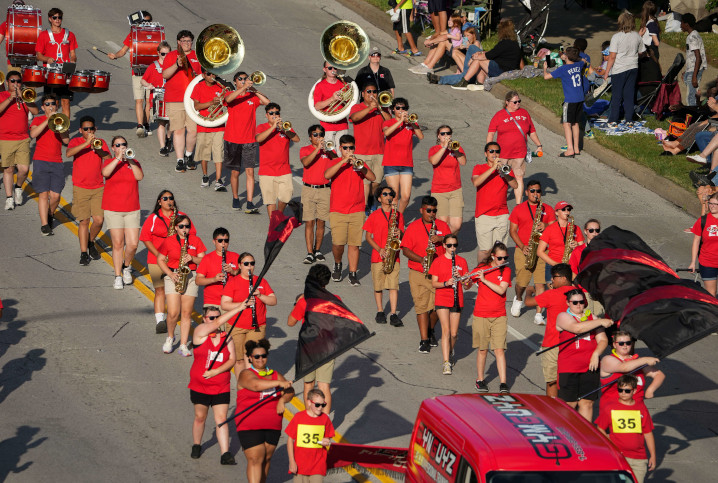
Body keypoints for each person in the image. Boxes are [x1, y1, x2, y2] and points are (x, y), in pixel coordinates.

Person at [235, 339, 294, 483]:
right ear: (250, 358)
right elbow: (255, 385)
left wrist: (282, 399)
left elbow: (290, 391)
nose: (260, 359)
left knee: (266, 459)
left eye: (263, 355)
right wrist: (279, 383)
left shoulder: (275, 374)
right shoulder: (245, 374)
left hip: (272, 424)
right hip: (249, 423)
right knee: (256, 459)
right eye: (256, 356)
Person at [188, 306, 239, 465]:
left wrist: (216, 371)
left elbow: (232, 360)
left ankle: (225, 453)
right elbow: (215, 324)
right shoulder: (200, 333)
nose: (215, 321)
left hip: (220, 385)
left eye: (217, 317)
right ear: (204, 319)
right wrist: (239, 307)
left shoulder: (227, 338)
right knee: (200, 417)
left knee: (221, 419)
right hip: (200, 386)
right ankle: (197, 444)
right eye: (211, 318)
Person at [324, 134, 376, 285]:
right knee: (338, 243)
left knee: (354, 244)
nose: (348, 150)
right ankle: (338, 263)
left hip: (357, 210)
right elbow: (327, 175)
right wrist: (343, 161)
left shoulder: (359, 164)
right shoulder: (334, 162)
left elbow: (372, 178)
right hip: (338, 210)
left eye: (351, 148)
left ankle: (353, 273)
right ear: (340, 148)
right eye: (345, 148)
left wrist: (360, 167)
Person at [140, 190, 195, 333]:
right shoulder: (153, 218)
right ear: (159, 202)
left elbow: (192, 234)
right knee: (160, 290)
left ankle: (174, 315)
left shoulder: (181, 217)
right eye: (165, 198)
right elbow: (145, 238)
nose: (169, 201)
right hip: (156, 259)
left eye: (171, 198)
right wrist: (159, 254)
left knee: (177, 291)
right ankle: (160, 321)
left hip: (177, 260)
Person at [401, 196, 450, 353]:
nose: (432, 214)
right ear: (422, 210)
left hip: (439, 274)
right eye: (429, 210)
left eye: (434, 211)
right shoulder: (413, 227)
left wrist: (442, 239)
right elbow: (406, 250)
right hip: (419, 272)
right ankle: (424, 340)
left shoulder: (442, 226)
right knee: (422, 307)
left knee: (439, 306)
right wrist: (421, 259)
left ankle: (430, 329)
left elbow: (453, 244)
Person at [555, 288, 613, 421]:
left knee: (587, 403)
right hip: (569, 367)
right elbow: (577, 328)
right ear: (568, 303)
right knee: (569, 404)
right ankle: (566, 433)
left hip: (590, 366)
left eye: (581, 302)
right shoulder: (563, 316)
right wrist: (600, 322)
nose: (579, 305)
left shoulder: (592, 317)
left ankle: (584, 435)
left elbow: (603, 340)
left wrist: (596, 354)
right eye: (574, 302)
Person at [287, 264, 337, 414]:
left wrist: (298, 304)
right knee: (324, 386)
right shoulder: (335, 300)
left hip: (308, 348)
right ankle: (325, 421)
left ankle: (309, 416)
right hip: (328, 347)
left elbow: (290, 322)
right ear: (326, 282)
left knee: (308, 384)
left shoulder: (305, 301)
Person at [157, 214, 206, 356]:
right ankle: (170, 337)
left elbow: (203, 260)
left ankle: (183, 345)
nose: (185, 229)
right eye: (182, 226)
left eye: (187, 226)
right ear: (176, 228)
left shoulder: (195, 240)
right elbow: (160, 260)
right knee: (173, 313)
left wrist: (192, 258)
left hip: (190, 277)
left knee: (186, 313)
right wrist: (170, 274)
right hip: (173, 276)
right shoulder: (169, 241)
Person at [221, 252, 277, 376]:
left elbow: (273, 300)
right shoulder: (233, 282)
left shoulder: (260, 281)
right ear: (240, 266)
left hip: (257, 326)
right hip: (236, 326)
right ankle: (242, 387)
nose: (249, 266)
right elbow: (224, 304)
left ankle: (252, 386)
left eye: (252, 263)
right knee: (239, 360)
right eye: (246, 264)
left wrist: (260, 295)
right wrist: (242, 304)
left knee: (253, 359)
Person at [525, 263, 575, 398]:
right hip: (572, 344)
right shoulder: (578, 294)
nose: (552, 280)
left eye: (554, 277)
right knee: (569, 380)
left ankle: (553, 409)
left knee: (552, 381)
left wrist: (530, 290)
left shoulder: (552, 295)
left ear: (564, 278)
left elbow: (528, 302)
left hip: (552, 343)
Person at [594, 374, 657, 483]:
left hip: (639, 458)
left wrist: (653, 455)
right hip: (618, 457)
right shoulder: (610, 408)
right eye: (620, 390)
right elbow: (600, 428)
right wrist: (610, 443)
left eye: (627, 391)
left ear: (635, 390)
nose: (623, 393)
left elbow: (648, 433)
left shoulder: (641, 409)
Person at [509, 180, 556, 324]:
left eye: (538, 191)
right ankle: (518, 298)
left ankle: (538, 314)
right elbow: (512, 231)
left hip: (542, 250)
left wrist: (546, 224)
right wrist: (522, 246)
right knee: (522, 283)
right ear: (527, 192)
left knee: (540, 283)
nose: (536, 194)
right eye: (532, 191)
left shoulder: (547, 209)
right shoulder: (518, 209)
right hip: (524, 249)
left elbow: (555, 228)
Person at [224, 71, 270, 213]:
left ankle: (249, 202)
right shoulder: (231, 94)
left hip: (249, 140)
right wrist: (243, 88)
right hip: (232, 139)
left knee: (250, 172)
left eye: (245, 79)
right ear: (235, 81)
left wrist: (254, 90)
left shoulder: (252, 96)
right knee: (235, 173)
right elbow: (229, 100)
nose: (243, 81)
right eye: (241, 79)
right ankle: (236, 198)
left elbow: (267, 103)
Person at [66, 115, 110, 265]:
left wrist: (97, 149)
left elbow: (109, 157)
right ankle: (84, 252)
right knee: (84, 221)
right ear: (80, 130)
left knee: (99, 220)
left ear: (95, 129)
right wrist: (86, 143)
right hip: (81, 187)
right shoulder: (76, 141)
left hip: (98, 187)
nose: (89, 131)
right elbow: (69, 153)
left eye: (91, 128)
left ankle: (90, 241)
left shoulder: (100, 142)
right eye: (86, 129)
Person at [101, 136, 143, 290]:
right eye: (118, 145)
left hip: (132, 209)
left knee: (132, 244)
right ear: (113, 148)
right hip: (113, 209)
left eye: (124, 145)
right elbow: (105, 173)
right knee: (118, 243)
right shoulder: (109, 162)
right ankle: (118, 276)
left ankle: (126, 266)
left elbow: (139, 176)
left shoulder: (134, 162)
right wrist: (118, 159)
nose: (122, 147)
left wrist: (130, 160)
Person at [470, 242, 512, 393]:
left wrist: (484, 279)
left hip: (499, 315)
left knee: (499, 349)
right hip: (481, 314)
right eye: (500, 258)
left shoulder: (506, 270)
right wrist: (466, 279)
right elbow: (467, 285)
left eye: (505, 258)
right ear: (493, 256)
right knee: (483, 349)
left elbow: (501, 290)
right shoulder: (482, 269)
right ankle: (480, 379)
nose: (503, 261)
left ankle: (503, 383)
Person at [487, 91, 542, 202]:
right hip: (503, 154)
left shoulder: (524, 113)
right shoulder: (499, 115)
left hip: (519, 153)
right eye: (515, 102)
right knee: (501, 177)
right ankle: (498, 200)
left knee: (519, 177)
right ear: (507, 102)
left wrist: (539, 145)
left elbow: (531, 131)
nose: (518, 104)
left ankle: (518, 203)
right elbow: (491, 133)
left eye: (519, 101)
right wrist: (489, 150)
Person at [363, 185, 405, 326]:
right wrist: (379, 249)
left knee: (393, 286)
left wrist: (400, 233)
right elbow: (368, 237)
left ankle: (393, 313)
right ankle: (380, 311)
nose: (389, 197)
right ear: (380, 199)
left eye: (391, 194)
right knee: (378, 285)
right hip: (378, 255)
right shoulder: (374, 215)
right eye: (385, 194)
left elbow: (403, 233)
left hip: (394, 255)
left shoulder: (398, 215)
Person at [107, 11, 153, 137]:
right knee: (139, 100)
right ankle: (139, 125)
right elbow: (123, 50)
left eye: (149, 22)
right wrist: (115, 56)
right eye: (144, 22)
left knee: (149, 101)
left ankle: (146, 123)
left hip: (151, 72)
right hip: (137, 71)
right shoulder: (133, 35)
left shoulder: (155, 35)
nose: (146, 24)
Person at [29, 94, 69, 236]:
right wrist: (47, 120)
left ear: (56, 106)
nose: (50, 106)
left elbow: (66, 141)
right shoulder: (38, 119)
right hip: (40, 160)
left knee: (56, 196)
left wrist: (60, 126)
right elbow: (33, 134)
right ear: (42, 107)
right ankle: (45, 224)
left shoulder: (61, 121)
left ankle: (50, 213)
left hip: (56, 161)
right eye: (47, 104)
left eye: (53, 103)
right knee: (44, 194)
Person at [430, 235, 470, 375]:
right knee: (446, 331)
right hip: (442, 299)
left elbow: (467, 286)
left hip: (456, 299)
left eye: (455, 245)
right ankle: (446, 362)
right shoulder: (438, 261)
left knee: (454, 334)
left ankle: (450, 351)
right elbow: (434, 283)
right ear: (444, 246)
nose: (452, 248)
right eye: (449, 245)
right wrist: (446, 283)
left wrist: (461, 278)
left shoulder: (462, 261)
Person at [472, 142, 518, 263]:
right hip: (484, 215)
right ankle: (479, 274)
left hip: (502, 214)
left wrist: (505, 174)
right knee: (485, 250)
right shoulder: (479, 168)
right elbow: (476, 182)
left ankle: (496, 276)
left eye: (497, 151)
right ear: (486, 153)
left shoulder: (505, 169)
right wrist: (492, 168)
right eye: (491, 151)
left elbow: (515, 185)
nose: (494, 154)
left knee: (499, 251)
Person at [162, 30, 200, 172]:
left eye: (189, 41)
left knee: (193, 131)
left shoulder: (198, 56)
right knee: (178, 130)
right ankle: (179, 160)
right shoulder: (171, 56)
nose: (186, 44)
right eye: (183, 41)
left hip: (192, 99)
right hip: (175, 98)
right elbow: (165, 74)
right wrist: (176, 65)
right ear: (178, 42)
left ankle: (188, 154)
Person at [349, 82, 391, 211]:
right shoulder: (357, 107)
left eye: (374, 92)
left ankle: (371, 198)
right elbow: (354, 118)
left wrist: (379, 108)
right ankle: (364, 207)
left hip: (379, 152)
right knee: (364, 183)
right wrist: (369, 108)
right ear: (363, 94)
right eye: (369, 92)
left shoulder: (382, 108)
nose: (372, 94)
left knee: (376, 182)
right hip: (361, 152)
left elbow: (389, 121)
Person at [1, 70, 38, 211]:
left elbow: (35, 112)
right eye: (13, 81)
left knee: (24, 169)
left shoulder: (25, 96)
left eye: (18, 81)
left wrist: (26, 100)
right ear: (7, 83)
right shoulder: (2, 95)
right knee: (9, 169)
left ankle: (18, 187)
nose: (16, 84)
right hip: (5, 138)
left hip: (23, 138)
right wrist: (10, 98)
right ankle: (9, 198)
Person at [599, 331, 664, 411]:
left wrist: (650, 390)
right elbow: (624, 367)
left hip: (636, 409)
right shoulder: (607, 359)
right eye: (621, 343)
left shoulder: (637, 361)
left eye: (628, 343)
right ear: (614, 345)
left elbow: (659, 374)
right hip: (613, 408)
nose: (625, 346)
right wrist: (644, 359)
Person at [450, 19, 523, 90]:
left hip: (502, 70)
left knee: (478, 60)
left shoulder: (504, 43)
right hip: (507, 68)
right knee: (479, 59)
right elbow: (494, 52)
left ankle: (465, 81)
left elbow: (489, 55)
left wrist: (474, 58)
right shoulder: (514, 43)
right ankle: (479, 83)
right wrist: (481, 52)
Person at [256, 102, 299, 218]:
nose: (274, 115)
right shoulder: (262, 127)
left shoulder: (285, 127)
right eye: (271, 113)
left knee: (287, 196)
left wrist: (285, 130)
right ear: (266, 115)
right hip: (267, 171)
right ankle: (273, 225)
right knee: (270, 200)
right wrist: (273, 127)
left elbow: (296, 139)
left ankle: (278, 215)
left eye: (276, 113)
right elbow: (259, 139)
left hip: (284, 170)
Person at [382, 97, 423, 213]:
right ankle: (393, 222)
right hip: (391, 163)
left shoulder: (410, 123)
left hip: (406, 163)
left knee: (406, 197)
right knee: (394, 196)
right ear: (393, 110)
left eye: (403, 108)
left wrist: (413, 124)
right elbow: (386, 132)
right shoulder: (388, 122)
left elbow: (420, 136)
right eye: (398, 108)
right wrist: (400, 122)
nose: (401, 110)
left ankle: (398, 217)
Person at [285, 388, 335, 482]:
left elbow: (327, 438)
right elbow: (290, 440)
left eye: (323, 404)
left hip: (317, 465)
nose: (320, 407)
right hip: (300, 465)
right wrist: (292, 462)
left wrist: (326, 441)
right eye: (317, 405)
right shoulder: (299, 417)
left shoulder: (325, 419)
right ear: (309, 402)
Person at [603, 12, 645, 123]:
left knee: (617, 95)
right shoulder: (637, 36)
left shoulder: (616, 37)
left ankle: (613, 119)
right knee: (629, 94)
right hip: (633, 68)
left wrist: (607, 72)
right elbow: (642, 52)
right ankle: (629, 119)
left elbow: (612, 57)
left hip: (619, 69)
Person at [300, 125, 333, 264]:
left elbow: (336, 160)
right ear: (310, 137)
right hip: (309, 189)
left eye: (320, 134)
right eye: (315, 134)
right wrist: (318, 150)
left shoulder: (328, 150)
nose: (318, 137)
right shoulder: (305, 150)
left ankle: (317, 250)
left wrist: (328, 151)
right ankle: (309, 252)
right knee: (309, 222)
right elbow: (306, 162)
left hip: (325, 189)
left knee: (321, 222)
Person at [35, 8, 77, 117]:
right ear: (50, 19)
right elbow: (38, 55)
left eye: (59, 17)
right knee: (53, 103)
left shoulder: (70, 34)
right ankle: (52, 127)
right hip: (50, 72)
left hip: (65, 71)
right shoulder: (44, 35)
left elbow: (73, 54)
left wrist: (73, 60)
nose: (57, 20)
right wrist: (47, 59)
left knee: (65, 102)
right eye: (55, 17)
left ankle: (65, 129)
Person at [543, 47, 585, 157]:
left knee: (566, 124)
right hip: (580, 98)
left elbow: (546, 77)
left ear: (566, 56)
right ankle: (576, 148)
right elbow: (583, 60)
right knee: (575, 123)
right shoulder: (579, 65)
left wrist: (545, 69)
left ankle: (569, 149)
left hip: (570, 100)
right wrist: (569, 57)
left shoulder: (563, 69)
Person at [191, 68, 227, 191]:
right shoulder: (198, 87)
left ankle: (218, 179)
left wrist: (222, 99)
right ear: (203, 75)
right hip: (204, 124)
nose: (212, 76)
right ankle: (205, 175)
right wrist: (211, 102)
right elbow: (196, 106)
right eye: (208, 74)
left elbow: (228, 102)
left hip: (218, 125)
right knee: (204, 153)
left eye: (213, 74)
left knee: (219, 152)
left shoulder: (221, 86)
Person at [429, 125, 466, 235]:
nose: (446, 136)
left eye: (448, 133)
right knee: (443, 223)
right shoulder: (434, 149)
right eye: (443, 134)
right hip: (439, 191)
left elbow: (463, 162)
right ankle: (445, 246)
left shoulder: (457, 147)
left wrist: (456, 151)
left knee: (456, 224)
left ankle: (445, 241)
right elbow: (434, 161)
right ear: (438, 136)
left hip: (455, 190)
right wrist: (444, 147)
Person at [196, 227, 240, 310]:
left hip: (231, 301)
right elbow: (198, 280)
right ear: (214, 241)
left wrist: (233, 272)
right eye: (220, 241)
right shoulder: (207, 258)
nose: (223, 243)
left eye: (226, 241)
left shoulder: (236, 256)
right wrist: (214, 279)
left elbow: (245, 274)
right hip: (212, 302)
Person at [141, 41, 172, 156]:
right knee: (161, 123)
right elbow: (143, 80)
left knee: (172, 123)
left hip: (171, 96)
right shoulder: (153, 66)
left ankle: (168, 138)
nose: (165, 56)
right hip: (158, 98)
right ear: (158, 53)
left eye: (167, 54)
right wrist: (148, 85)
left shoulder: (173, 66)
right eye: (163, 54)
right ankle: (162, 146)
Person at [568, 218, 604, 315]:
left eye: (597, 230)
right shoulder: (578, 251)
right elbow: (572, 272)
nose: (594, 233)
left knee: (599, 322)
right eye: (591, 230)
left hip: (599, 292)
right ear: (585, 231)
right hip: (584, 292)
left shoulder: (603, 251)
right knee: (586, 321)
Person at [312, 62, 350, 148]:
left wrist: (344, 99)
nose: (333, 70)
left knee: (343, 155)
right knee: (330, 154)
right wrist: (332, 99)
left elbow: (350, 103)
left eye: (335, 68)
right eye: (330, 68)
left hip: (342, 125)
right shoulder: (320, 86)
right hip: (327, 126)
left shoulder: (343, 84)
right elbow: (317, 106)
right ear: (324, 69)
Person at [537, 201, 584, 268]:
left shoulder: (576, 228)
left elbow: (582, 248)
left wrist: (577, 245)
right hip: (553, 265)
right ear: (556, 212)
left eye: (568, 209)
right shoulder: (550, 229)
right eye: (563, 209)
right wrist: (555, 264)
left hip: (571, 265)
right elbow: (539, 252)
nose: (567, 211)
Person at [689, 192, 718, 296]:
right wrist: (693, 262)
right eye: (710, 203)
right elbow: (696, 241)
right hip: (708, 262)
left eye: (715, 204)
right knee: (711, 294)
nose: (712, 206)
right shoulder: (703, 220)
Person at [681, 13, 706, 108]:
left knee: (690, 97)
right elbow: (693, 57)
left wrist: (694, 76)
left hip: (694, 71)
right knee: (691, 95)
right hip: (692, 69)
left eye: (682, 23)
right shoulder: (694, 34)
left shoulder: (692, 37)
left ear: (686, 24)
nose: (680, 25)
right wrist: (687, 71)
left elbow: (698, 57)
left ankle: (692, 118)